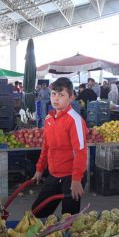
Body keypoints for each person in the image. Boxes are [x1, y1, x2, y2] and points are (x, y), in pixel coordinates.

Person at [32, 77, 87, 218]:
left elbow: (80, 151)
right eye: (53, 94)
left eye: (61, 95)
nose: (56, 98)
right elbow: (46, 146)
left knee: (68, 217)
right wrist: (39, 169)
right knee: (37, 212)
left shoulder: (75, 120)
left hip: (72, 176)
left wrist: (76, 180)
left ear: (71, 97)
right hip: (54, 174)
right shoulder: (48, 119)